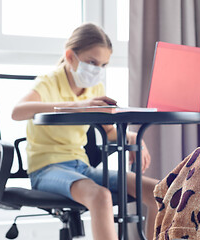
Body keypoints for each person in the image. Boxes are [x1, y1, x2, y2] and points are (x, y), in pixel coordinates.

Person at [11, 23, 158, 240]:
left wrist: (134, 138)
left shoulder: (94, 89)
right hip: (47, 169)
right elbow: (17, 111)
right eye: (92, 62)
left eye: (103, 65)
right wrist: (77, 105)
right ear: (70, 56)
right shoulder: (49, 81)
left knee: (158, 191)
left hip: (82, 167)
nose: (97, 70)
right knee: (100, 196)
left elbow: (109, 133)